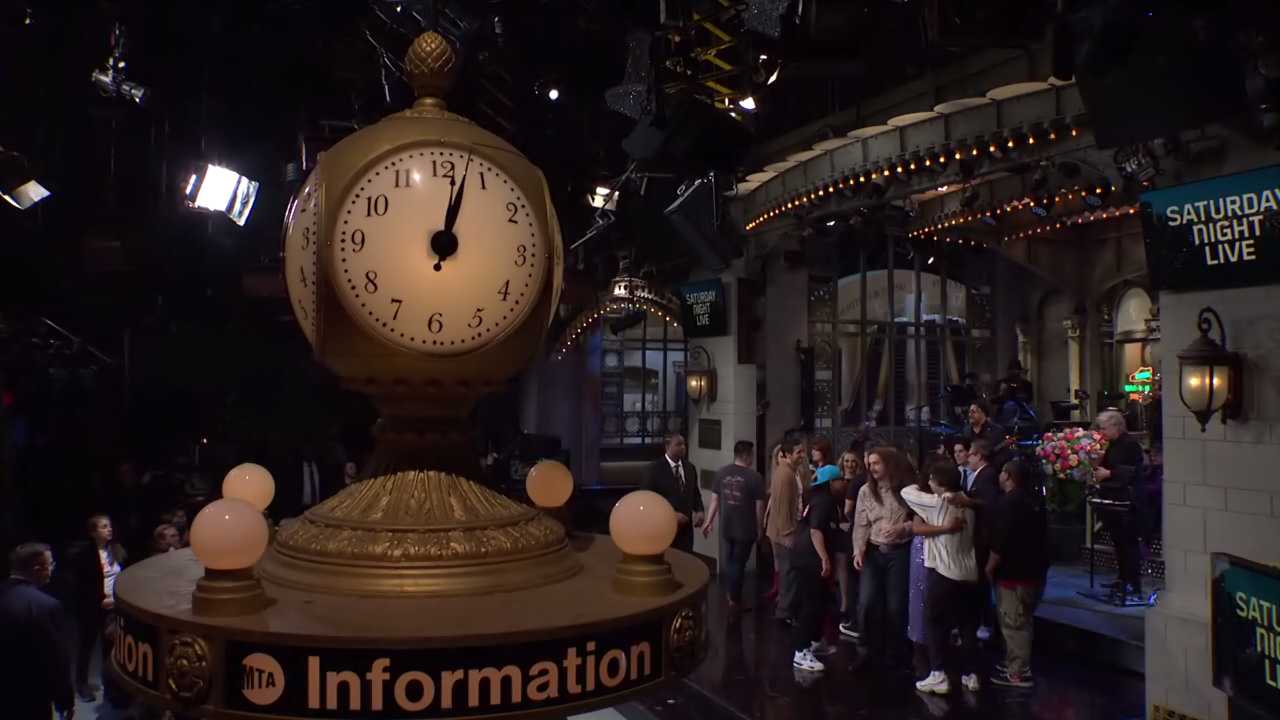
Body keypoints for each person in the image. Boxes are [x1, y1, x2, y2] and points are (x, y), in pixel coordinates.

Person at [904, 463, 981, 695]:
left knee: (935, 622)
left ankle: (938, 674)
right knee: (967, 625)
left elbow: (906, 492)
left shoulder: (937, 503)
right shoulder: (968, 507)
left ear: (941, 483)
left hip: (944, 573)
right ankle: (971, 674)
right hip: (969, 573)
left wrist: (923, 487)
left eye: (932, 480)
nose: (929, 483)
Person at [986, 459, 1048, 688]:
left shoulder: (1007, 503)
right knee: (1024, 619)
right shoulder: (1036, 501)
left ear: (1008, 476)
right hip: (1035, 572)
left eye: (1002, 472)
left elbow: (1000, 541)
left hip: (1013, 574)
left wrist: (989, 566)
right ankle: (1015, 662)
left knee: (1014, 623)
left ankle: (1018, 672)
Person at [851, 447, 915, 669]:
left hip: (899, 551)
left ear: (888, 463)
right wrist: (858, 550)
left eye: (876, 463)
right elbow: (861, 523)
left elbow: (920, 520)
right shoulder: (865, 491)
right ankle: (865, 651)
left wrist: (903, 528)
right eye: (869, 464)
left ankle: (896, 654)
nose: (872, 468)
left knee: (895, 606)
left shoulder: (907, 490)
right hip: (873, 551)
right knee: (867, 602)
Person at [1, 543, 74, 720]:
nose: (52, 569)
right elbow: (56, 660)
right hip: (30, 697)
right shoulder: (46, 606)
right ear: (37, 569)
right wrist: (64, 700)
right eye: (51, 564)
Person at [64, 513, 126, 701]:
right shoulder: (83, 555)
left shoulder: (117, 550)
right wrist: (100, 599)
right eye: (104, 527)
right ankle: (81, 684)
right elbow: (81, 586)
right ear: (93, 532)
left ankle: (111, 685)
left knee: (110, 647)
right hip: (90, 608)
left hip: (113, 608)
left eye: (110, 526)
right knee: (87, 646)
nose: (109, 529)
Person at [702, 441, 766, 611]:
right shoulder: (755, 477)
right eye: (751, 454)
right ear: (746, 455)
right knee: (738, 563)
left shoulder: (721, 473)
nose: (753, 458)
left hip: (727, 526)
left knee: (731, 561)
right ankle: (734, 599)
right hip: (746, 528)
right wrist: (760, 528)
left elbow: (714, 500)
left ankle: (731, 594)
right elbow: (759, 507)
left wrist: (709, 521)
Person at [790, 464, 842, 672]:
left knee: (820, 601)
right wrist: (824, 558)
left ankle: (815, 641)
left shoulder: (817, 498)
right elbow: (815, 531)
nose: (843, 484)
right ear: (830, 483)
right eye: (839, 480)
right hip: (810, 559)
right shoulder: (824, 501)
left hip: (805, 556)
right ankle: (801, 651)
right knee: (810, 604)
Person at [1092, 410, 1145, 596]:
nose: (1102, 432)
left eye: (1104, 428)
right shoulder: (1111, 445)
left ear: (1116, 426)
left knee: (1129, 543)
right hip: (1113, 499)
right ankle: (1122, 578)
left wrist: (1109, 473)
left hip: (1127, 501)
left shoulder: (1130, 444)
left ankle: (1133, 582)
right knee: (1118, 543)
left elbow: (1134, 471)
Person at [964, 438, 1003, 640]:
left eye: (970, 454)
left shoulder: (987, 475)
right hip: (981, 537)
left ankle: (985, 623)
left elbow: (988, 504)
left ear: (979, 455)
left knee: (983, 584)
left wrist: (966, 501)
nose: (967, 458)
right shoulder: (981, 474)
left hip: (984, 538)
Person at [765, 438, 806, 623]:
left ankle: (786, 608)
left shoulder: (791, 471)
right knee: (788, 572)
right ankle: (785, 612)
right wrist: (787, 533)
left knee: (788, 571)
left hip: (787, 529)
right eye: (798, 452)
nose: (802, 456)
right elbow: (781, 506)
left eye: (802, 451)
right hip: (784, 532)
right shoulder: (785, 474)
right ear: (787, 454)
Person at [642, 433, 703, 553]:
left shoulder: (690, 468)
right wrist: (670, 514)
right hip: (663, 529)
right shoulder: (653, 469)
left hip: (686, 532)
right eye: (678, 444)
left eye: (684, 444)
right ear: (667, 446)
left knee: (685, 560)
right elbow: (646, 499)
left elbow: (695, 493)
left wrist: (700, 510)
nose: (683, 447)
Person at [835, 450, 865, 638]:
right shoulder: (837, 481)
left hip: (853, 527)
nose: (850, 464)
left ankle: (849, 604)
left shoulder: (861, 481)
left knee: (849, 566)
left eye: (853, 461)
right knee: (842, 566)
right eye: (847, 461)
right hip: (840, 527)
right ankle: (845, 602)